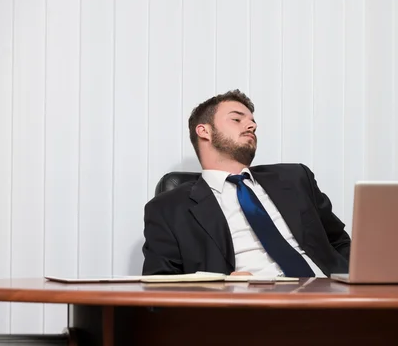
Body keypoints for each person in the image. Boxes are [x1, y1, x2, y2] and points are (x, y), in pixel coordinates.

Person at [141, 89, 350, 277]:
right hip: (246, 308)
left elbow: (340, 242)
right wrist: (222, 288)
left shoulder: (295, 178)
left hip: (329, 294)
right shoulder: (168, 209)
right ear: (204, 131)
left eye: (252, 122)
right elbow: (161, 286)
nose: (252, 125)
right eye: (236, 119)